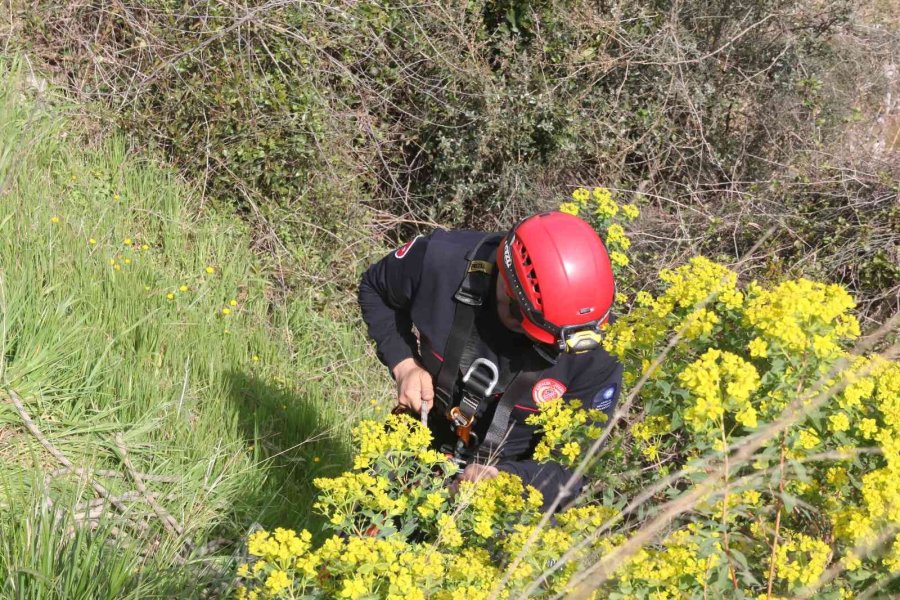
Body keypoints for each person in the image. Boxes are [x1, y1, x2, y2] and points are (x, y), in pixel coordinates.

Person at [358, 211, 623, 510]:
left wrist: (505, 481)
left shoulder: (598, 353)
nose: (537, 345)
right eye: (532, 332)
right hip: (421, 433)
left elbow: (574, 468)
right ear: (507, 286)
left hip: (507, 487)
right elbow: (375, 287)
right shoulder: (442, 261)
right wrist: (404, 364)